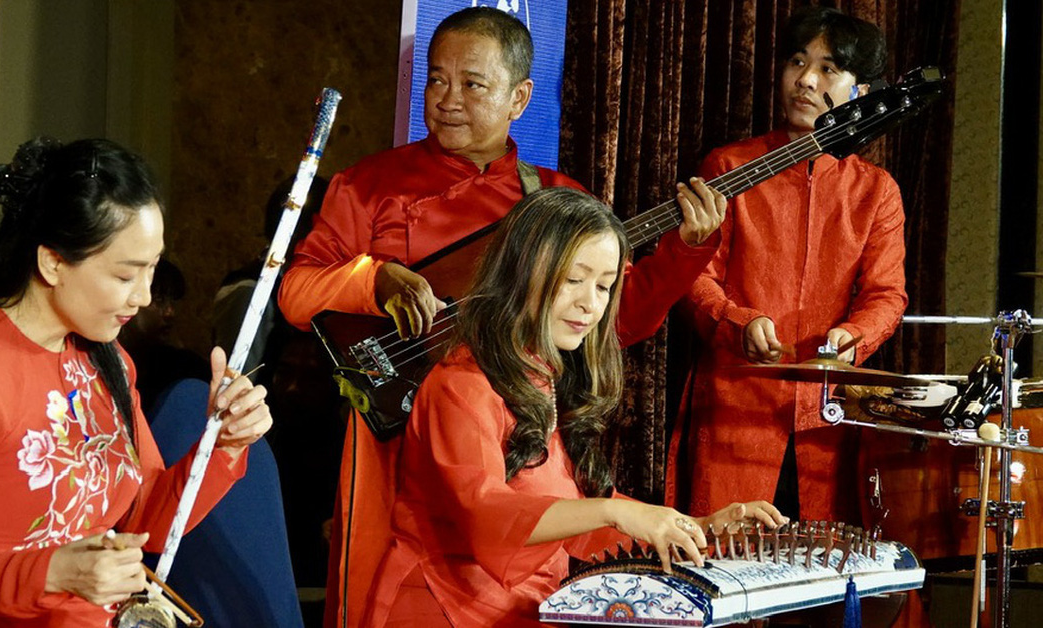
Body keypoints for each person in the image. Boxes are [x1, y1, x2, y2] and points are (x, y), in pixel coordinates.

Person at [276, 7, 727, 626]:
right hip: (395, 426)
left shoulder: (555, 200)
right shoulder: (369, 184)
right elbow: (296, 293)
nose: (448, 100)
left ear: (520, 98)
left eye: (473, 84)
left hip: (510, 414)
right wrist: (373, 280)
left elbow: (614, 320)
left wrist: (687, 250)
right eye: (437, 80)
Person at [363, 187, 783, 627]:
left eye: (604, 286)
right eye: (573, 280)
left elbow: (569, 511)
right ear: (523, 271)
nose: (591, 304)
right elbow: (484, 515)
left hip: (524, 604)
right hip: (439, 604)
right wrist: (616, 510)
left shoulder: (542, 374)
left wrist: (693, 527)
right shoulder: (459, 384)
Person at [0, 137, 273, 628]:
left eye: (151, 270)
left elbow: (149, 522)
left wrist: (223, 444)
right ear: (53, 263)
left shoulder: (110, 363)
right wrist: (57, 572)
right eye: (126, 276)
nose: (144, 297)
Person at [667, 6, 908, 524]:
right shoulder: (729, 166)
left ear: (860, 94)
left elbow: (886, 295)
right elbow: (692, 276)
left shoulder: (876, 190)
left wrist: (853, 336)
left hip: (828, 417)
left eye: (827, 69)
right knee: (728, 569)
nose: (805, 80)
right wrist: (739, 320)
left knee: (820, 577)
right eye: (797, 62)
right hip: (737, 407)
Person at [118, 257, 210, 414]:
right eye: (159, 300)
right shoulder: (92, 364)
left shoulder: (185, 368)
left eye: (172, 302)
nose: (170, 312)